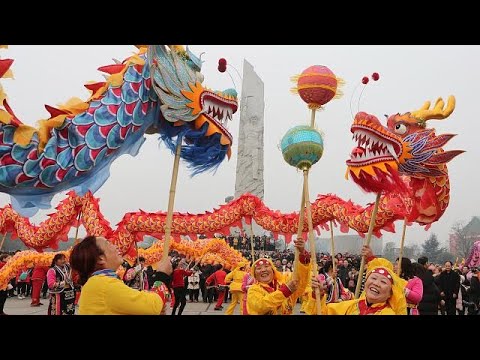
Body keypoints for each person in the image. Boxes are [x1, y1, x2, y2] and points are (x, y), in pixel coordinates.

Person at [70, 235, 172, 315]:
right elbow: (152, 306)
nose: (115, 246)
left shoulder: (97, 282)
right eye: (108, 244)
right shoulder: (104, 284)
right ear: (100, 258)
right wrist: (162, 274)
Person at [306, 247, 407, 315]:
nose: (376, 283)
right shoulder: (350, 306)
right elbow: (321, 312)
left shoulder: (388, 313)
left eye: (383, 282)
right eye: (373, 278)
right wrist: (317, 295)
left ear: (391, 293)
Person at [244, 238, 311, 315]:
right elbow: (260, 306)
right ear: (255, 275)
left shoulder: (283, 283)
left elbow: (300, 281)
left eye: (266, 266)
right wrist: (285, 291)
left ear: (273, 270)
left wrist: (303, 255)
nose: (263, 270)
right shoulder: (253, 290)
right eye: (259, 268)